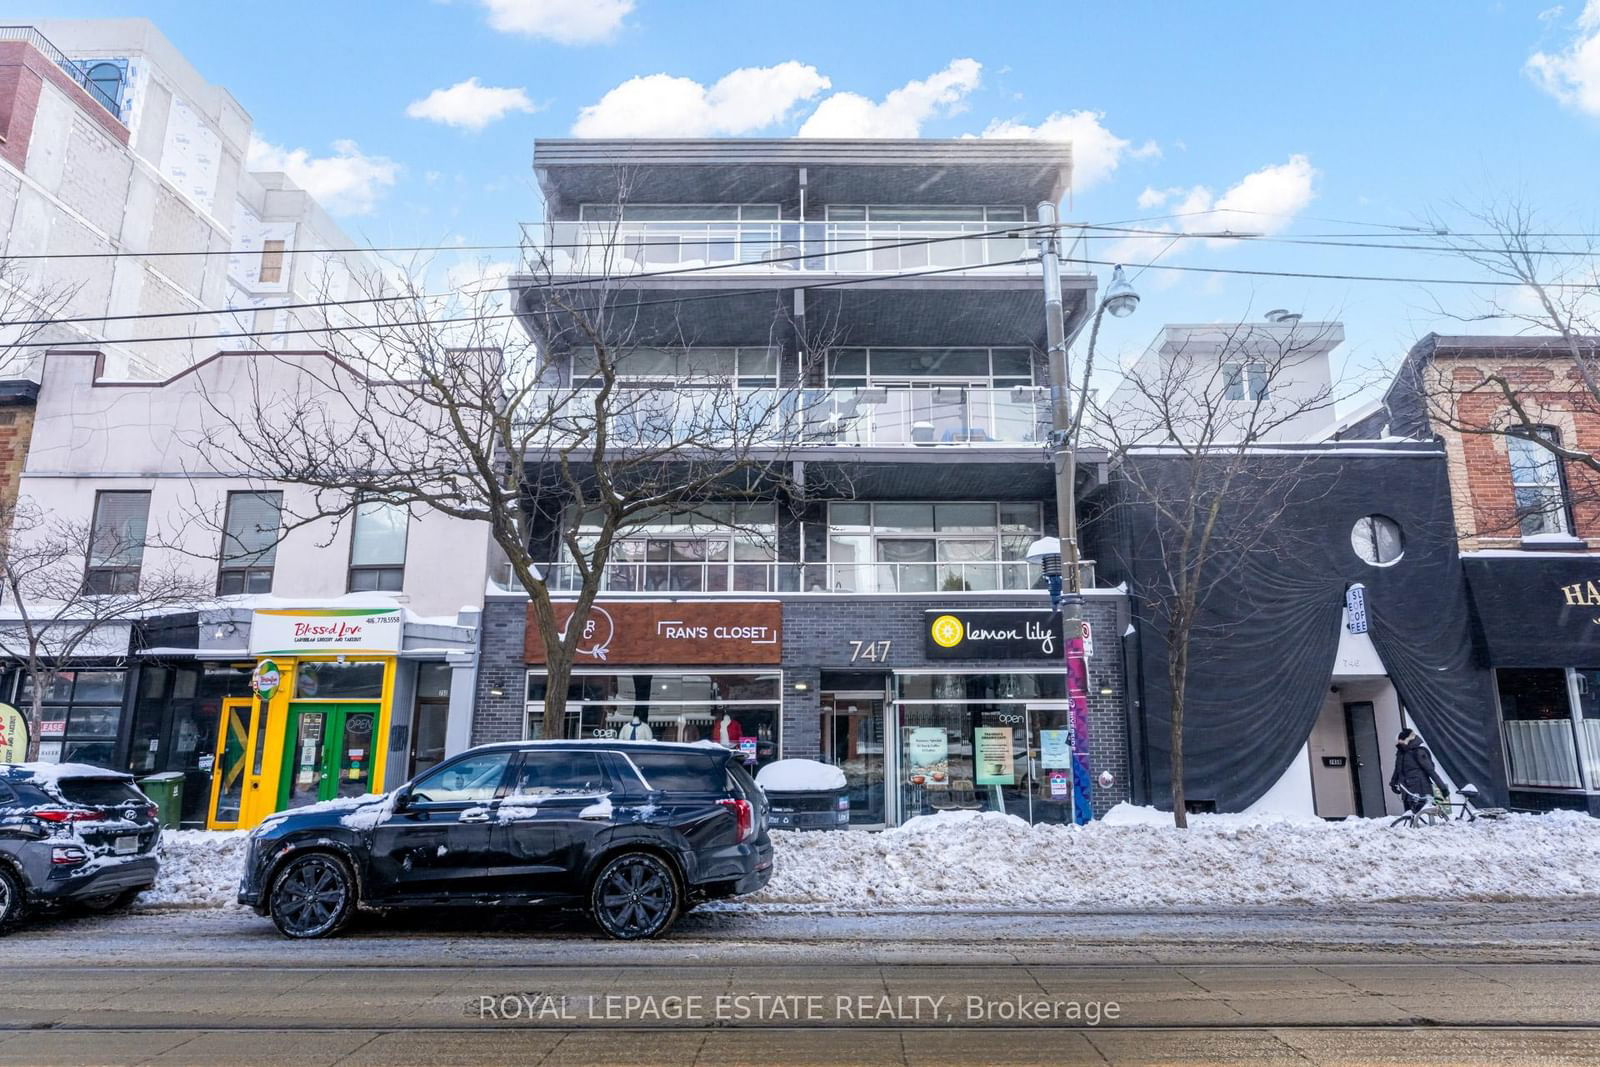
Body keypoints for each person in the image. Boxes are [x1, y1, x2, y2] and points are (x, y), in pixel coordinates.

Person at [1389, 728, 1449, 814]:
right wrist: (1393, 783)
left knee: (1422, 816)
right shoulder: (1401, 753)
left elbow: (1430, 771)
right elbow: (1397, 769)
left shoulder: (1418, 752)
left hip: (1421, 791)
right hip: (1407, 791)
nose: (1399, 745)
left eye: (1401, 743)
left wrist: (1443, 788)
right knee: (1410, 817)